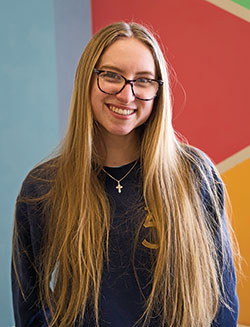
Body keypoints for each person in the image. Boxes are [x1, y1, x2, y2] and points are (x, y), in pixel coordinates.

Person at [12, 22, 239, 327]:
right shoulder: (43, 188)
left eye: (143, 80)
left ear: (158, 91)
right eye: (111, 75)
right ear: (87, 79)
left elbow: (221, 303)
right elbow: (30, 309)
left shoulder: (195, 176)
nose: (126, 94)